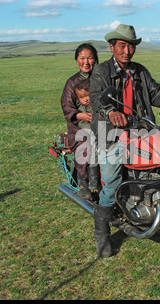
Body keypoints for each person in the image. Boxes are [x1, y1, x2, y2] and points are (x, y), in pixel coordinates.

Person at [89, 24, 160, 258]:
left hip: (141, 130)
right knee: (110, 182)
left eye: (131, 46)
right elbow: (96, 99)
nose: (127, 50)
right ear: (112, 47)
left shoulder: (139, 72)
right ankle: (102, 235)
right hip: (110, 133)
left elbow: (157, 93)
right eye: (122, 45)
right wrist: (111, 112)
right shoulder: (101, 71)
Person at [61, 43, 99, 200]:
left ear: (95, 60)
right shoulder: (72, 82)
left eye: (90, 58)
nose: (86, 62)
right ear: (76, 60)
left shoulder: (100, 78)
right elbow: (66, 105)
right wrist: (80, 116)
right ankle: (84, 182)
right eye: (82, 58)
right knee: (85, 143)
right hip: (79, 126)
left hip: (100, 122)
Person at [73, 78, 99, 192]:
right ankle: (93, 181)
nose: (85, 100)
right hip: (88, 131)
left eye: (86, 96)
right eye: (81, 98)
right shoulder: (82, 109)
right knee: (94, 148)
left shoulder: (97, 106)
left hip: (97, 130)